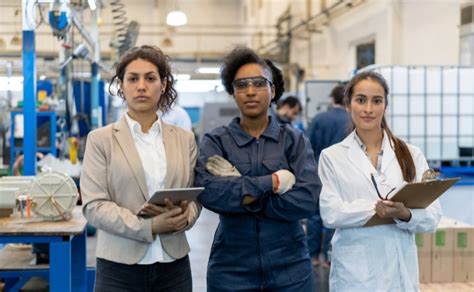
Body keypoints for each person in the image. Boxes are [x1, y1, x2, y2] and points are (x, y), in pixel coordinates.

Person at [195, 46, 321, 292]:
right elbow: (210, 193)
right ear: (233, 92)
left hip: (290, 266)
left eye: (259, 83)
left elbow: (307, 199)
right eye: (241, 85)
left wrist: (244, 194)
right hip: (231, 268)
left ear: (272, 90)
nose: (250, 91)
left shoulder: (293, 140)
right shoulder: (216, 141)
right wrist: (273, 183)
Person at [80, 45, 201, 292]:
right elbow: (94, 206)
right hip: (118, 268)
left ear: (164, 84)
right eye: (133, 79)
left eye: (150, 78)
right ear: (121, 85)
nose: (141, 86)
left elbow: (195, 197)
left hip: (173, 265)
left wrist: (186, 217)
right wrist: (149, 227)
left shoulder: (184, 139)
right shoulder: (101, 140)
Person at [318, 71, 442, 291]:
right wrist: (380, 210)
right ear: (348, 105)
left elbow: (432, 218)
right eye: (361, 100)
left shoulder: (411, 154)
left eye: (377, 101)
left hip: (399, 270)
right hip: (354, 273)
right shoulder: (332, 157)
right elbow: (331, 213)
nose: (368, 109)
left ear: (385, 105)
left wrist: (405, 214)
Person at [306, 84, 350, 268]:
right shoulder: (351, 119)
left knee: (316, 215)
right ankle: (330, 257)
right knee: (338, 213)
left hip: (319, 171)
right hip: (345, 172)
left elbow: (308, 146)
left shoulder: (318, 119)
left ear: (332, 99)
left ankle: (313, 256)